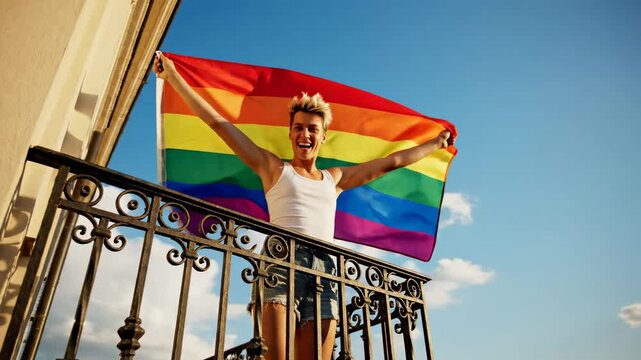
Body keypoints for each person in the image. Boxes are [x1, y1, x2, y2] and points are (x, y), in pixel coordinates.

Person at [153, 51, 452, 360]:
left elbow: (393, 161)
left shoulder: (333, 179)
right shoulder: (273, 168)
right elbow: (219, 124)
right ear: (290, 133)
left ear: (322, 137)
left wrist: (435, 144)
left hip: (326, 270)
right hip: (281, 262)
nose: (305, 133)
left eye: (312, 129)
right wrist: (173, 76)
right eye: (299, 127)